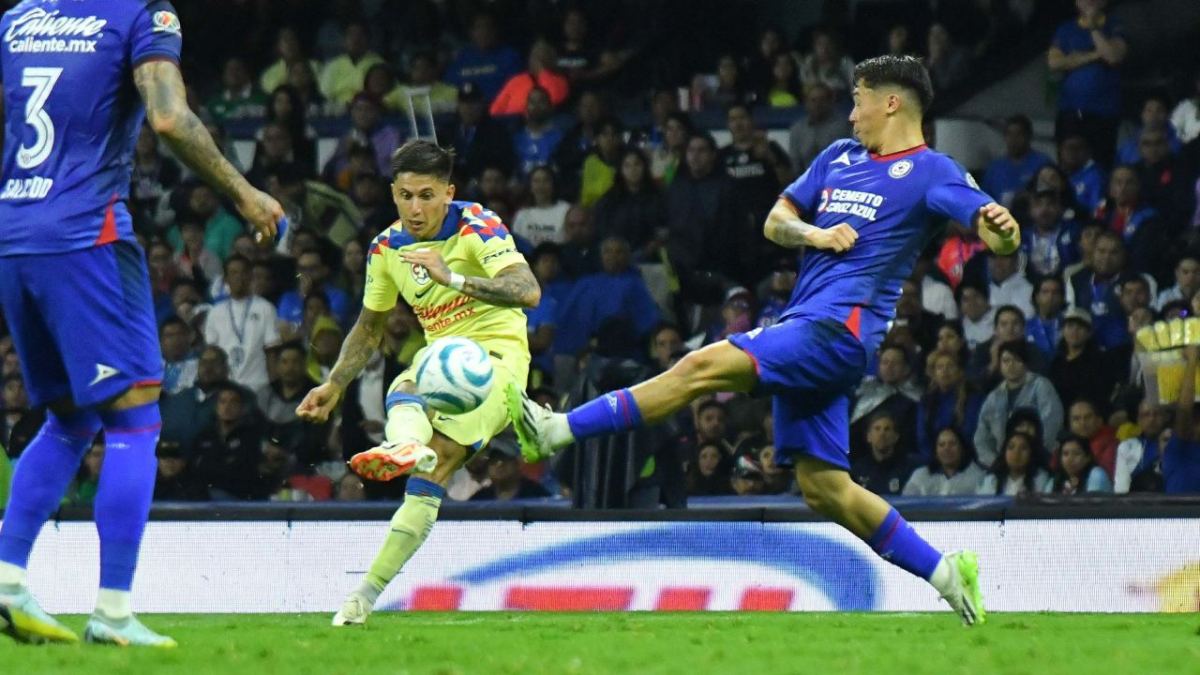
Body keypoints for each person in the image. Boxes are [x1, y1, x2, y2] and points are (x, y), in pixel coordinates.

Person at [508, 56, 1021, 626]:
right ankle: (949, 573)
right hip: (810, 327)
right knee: (826, 490)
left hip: (835, 332)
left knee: (697, 368)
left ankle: (555, 430)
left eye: (858, 100)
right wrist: (814, 232)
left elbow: (995, 233)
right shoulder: (837, 158)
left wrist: (1002, 232)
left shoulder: (931, 171)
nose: (851, 115)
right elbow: (776, 219)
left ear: (892, 103)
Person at [0, 0, 283, 647]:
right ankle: (114, 609)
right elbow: (168, 117)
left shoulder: (17, 18)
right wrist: (246, 195)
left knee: (69, 417)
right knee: (135, 416)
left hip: (15, 230)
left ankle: (8, 578)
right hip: (86, 234)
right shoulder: (143, 17)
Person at [295, 140, 539, 626]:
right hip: (442, 359)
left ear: (448, 193)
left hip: (498, 359)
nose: (416, 207)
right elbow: (369, 327)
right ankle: (406, 452)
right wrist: (335, 385)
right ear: (393, 193)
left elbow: (527, 290)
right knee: (405, 392)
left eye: (427, 195)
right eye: (405, 195)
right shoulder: (386, 248)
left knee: (436, 453)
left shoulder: (477, 225)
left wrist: (454, 279)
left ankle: (367, 586)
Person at [1047, 0, 1127, 170]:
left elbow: (1113, 56)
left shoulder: (1115, 25)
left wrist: (1093, 28)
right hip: (1070, 111)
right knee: (1067, 166)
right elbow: (1054, 63)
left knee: (1101, 165)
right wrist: (1093, 56)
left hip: (1103, 113)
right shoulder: (1066, 29)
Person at [983, 115, 1053, 209]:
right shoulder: (994, 169)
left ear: (1029, 136)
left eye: (1019, 134)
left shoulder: (1043, 163)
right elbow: (984, 201)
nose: (1013, 140)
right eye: (1009, 134)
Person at [903, 427, 986, 496]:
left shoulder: (978, 476)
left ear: (962, 448)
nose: (947, 449)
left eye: (952, 444)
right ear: (935, 451)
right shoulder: (920, 475)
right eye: (941, 445)